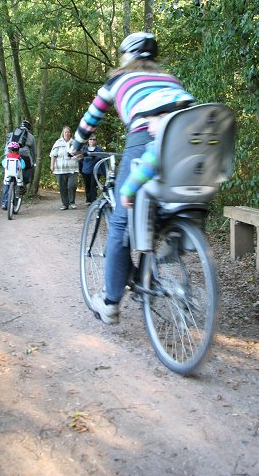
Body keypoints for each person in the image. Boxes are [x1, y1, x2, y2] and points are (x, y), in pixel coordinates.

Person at [71, 32, 194, 324]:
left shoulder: (117, 81)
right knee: (162, 206)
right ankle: (161, 253)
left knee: (120, 222)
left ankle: (111, 302)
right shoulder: (170, 79)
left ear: (126, 56)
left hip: (144, 139)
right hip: (188, 142)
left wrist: (76, 147)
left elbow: (90, 119)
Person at [1, 120, 36, 210]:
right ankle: (22, 186)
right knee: (27, 169)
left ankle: (4, 202)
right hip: (24, 157)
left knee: (6, 179)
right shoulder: (31, 137)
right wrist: (34, 162)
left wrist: (6, 156)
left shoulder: (12, 134)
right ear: (29, 128)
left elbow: (6, 146)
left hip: (9, 157)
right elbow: (33, 151)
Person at [50, 126, 81, 210]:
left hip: (73, 168)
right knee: (62, 187)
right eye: (65, 132)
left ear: (70, 133)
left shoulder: (74, 143)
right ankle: (65, 204)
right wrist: (52, 165)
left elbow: (80, 154)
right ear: (63, 133)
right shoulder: (58, 143)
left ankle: (72, 202)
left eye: (68, 132)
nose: (67, 134)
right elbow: (53, 155)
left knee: (72, 185)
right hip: (60, 169)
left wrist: (78, 157)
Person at [0, 141, 26, 210]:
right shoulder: (19, 158)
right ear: (18, 150)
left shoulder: (7, 157)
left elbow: (3, 164)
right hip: (17, 176)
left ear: (9, 149)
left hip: (8, 175)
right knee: (17, 187)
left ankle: (4, 203)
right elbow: (23, 166)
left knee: (6, 187)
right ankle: (15, 202)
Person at [81, 134, 104, 204]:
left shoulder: (99, 149)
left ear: (96, 141)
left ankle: (93, 201)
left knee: (93, 186)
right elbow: (80, 159)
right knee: (87, 186)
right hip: (86, 171)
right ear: (88, 140)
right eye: (90, 139)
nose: (92, 141)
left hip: (96, 171)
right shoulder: (84, 149)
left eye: (94, 139)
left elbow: (102, 160)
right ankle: (88, 200)